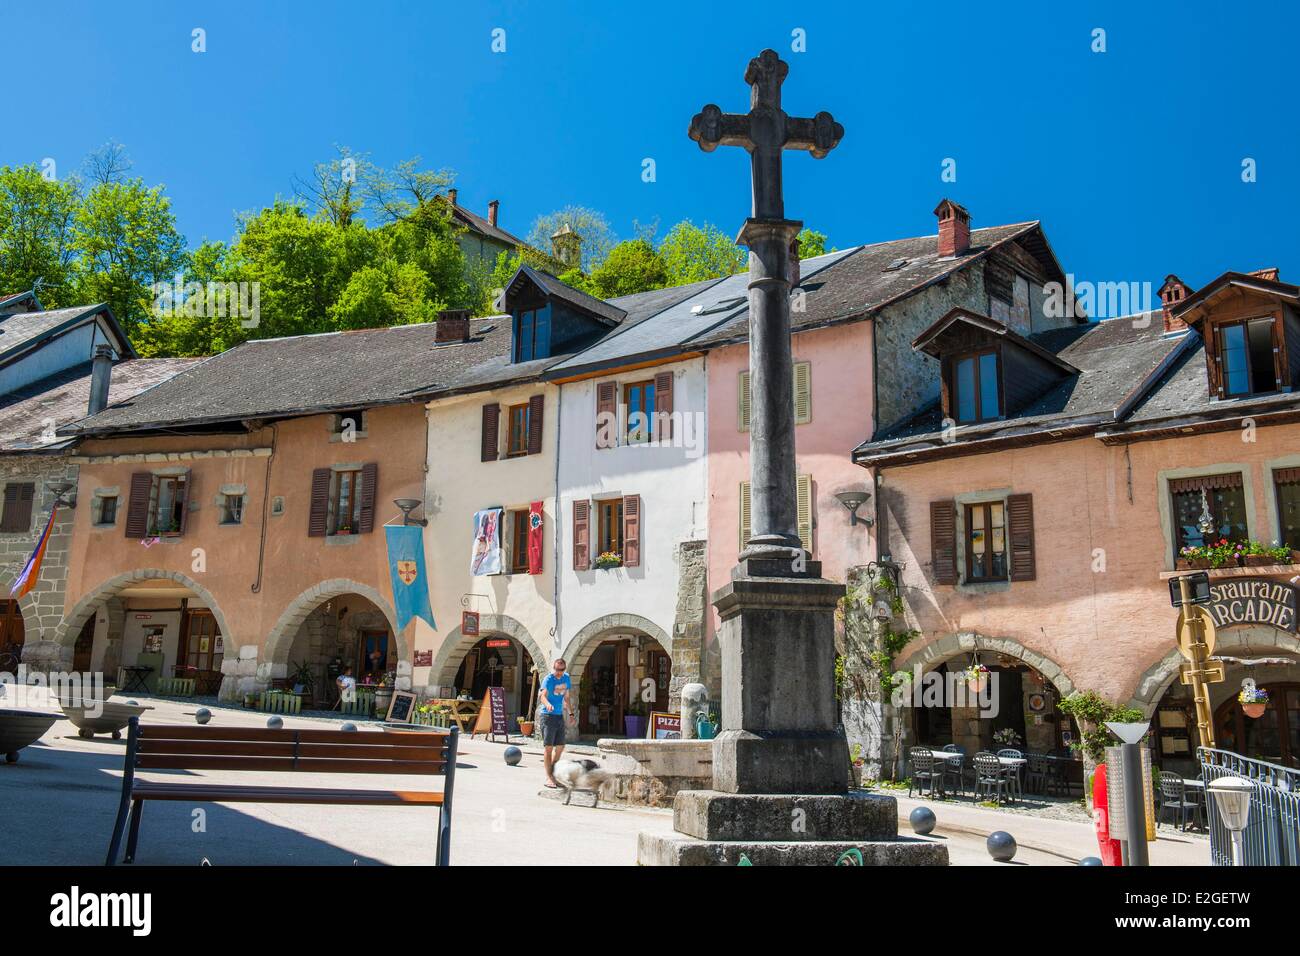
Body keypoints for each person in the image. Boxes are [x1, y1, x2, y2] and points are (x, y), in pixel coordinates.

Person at [538, 658, 572, 788]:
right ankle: (549, 778)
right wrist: (548, 705)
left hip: (558, 716)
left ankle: (552, 771)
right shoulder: (549, 679)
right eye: (557, 669)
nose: (559, 672)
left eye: (561, 670)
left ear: (564, 669)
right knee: (548, 748)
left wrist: (571, 713)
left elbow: (567, 697)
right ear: (554, 668)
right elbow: (542, 696)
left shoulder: (566, 678)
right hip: (547, 716)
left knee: (560, 747)